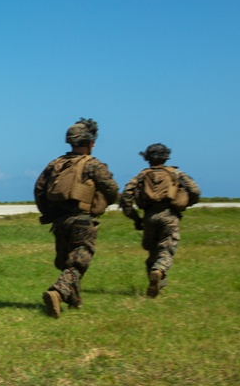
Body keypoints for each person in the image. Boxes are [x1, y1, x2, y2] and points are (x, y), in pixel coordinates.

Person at [34, 118, 119, 318]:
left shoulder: (55, 165)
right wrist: (106, 202)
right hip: (82, 219)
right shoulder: (93, 165)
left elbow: (39, 190)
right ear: (90, 142)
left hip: (59, 221)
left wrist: (48, 212)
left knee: (67, 261)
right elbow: (112, 189)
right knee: (79, 261)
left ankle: (75, 301)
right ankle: (58, 292)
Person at [119, 143, 201, 297]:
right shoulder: (176, 173)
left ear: (147, 158)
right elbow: (195, 190)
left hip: (149, 217)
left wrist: (136, 218)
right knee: (166, 251)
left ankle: (157, 284)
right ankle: (158, 272)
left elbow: (125, 197)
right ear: (166, 157)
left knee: (152, 253)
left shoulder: (141, 176)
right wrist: (184, 203)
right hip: (169, 215)